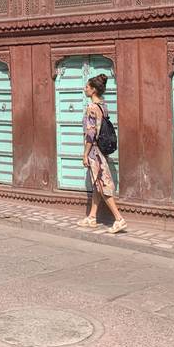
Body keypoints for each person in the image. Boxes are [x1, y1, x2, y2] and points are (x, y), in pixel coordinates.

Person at [78, 73, 126, 234]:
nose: (84, 89)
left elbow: (91, 134)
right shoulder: (103, 106)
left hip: (94, 152)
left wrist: (85, 154)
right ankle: (92, 217)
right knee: (97, 183)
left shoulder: (92, 108)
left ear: (93, 90)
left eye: (87, 87)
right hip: (101, 151)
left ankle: (119, 219)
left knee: (102, 184)